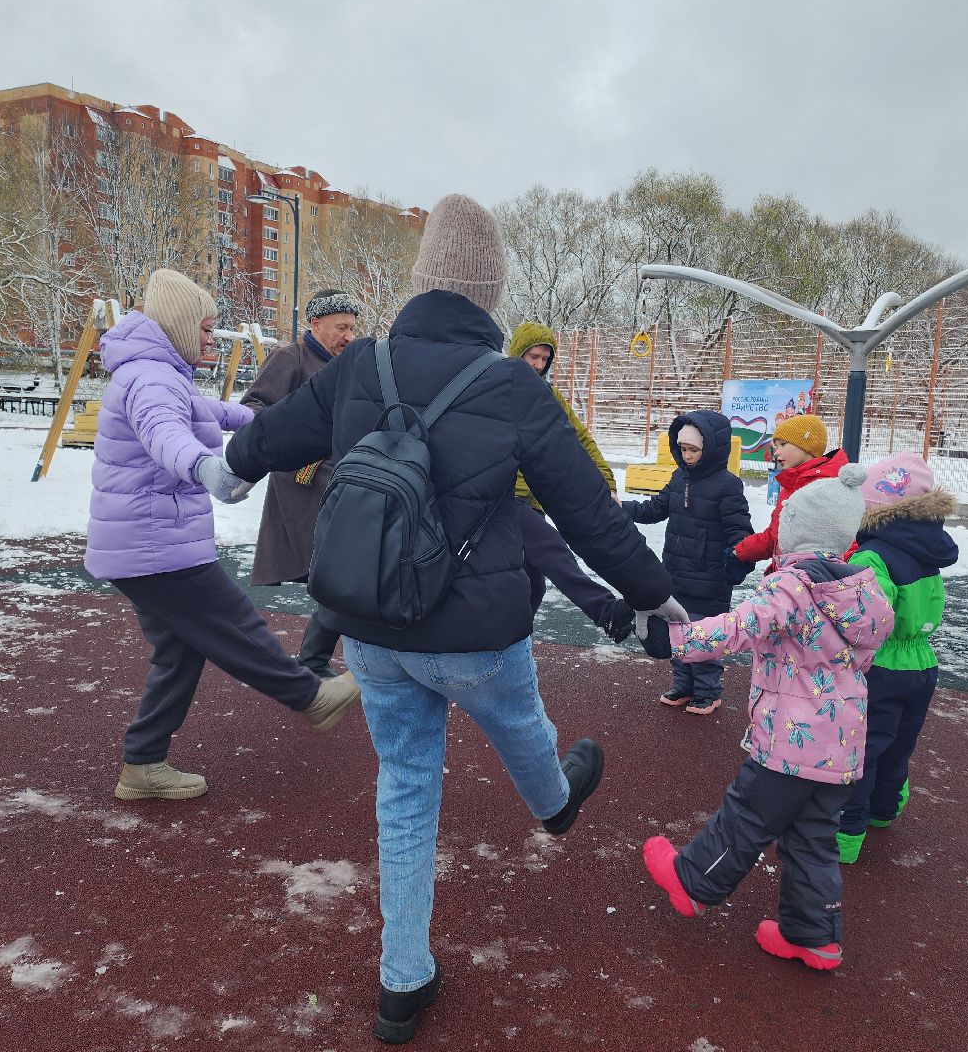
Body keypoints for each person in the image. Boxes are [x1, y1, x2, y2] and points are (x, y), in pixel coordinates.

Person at [224, 195, 680, 1044]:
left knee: (405, 789)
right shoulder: (511, 385)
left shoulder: (364, 362)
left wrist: (230, 471)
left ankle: (404, 983)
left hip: (376, 628)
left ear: (423, 281)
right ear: (491, 291)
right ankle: (554, 804)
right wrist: (657, 598)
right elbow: (588, 513)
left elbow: (276, 433)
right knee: (523, 731)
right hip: (477, 633)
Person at [84, 269, 360, 802]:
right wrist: (206, 469)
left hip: (147, 540)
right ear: (179, 327)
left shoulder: (161, 372)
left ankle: (143, 763)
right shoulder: (153, 379)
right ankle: (309, 696)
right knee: (232, 622)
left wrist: (289, 425)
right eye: (207, 329)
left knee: (181, 650)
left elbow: (224, 413)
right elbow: (164, 434)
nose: (213, 338)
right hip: (153, 543)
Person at [642, 464, 893, 972]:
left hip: (790, 740)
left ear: (796, 529)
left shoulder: (793, 587)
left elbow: (740, 627)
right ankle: (813, 934)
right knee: (812, 840)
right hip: (841, 747)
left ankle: (692, 882)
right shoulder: (865, 593)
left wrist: (672, 639)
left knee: (746, 818)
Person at [836, 453, 958, 863]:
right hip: (921, 664)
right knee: (899, 743)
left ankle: (845, 837)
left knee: (862, 750)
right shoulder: (927, 550)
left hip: (881, 667)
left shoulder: (872, 556)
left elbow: (868, 617)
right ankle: (884, 811)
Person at [240, 289, 359, 678]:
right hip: (303, 484)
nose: (348, 336)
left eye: (352, 328)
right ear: (315, 325)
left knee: (344, 572)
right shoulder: (289, 358)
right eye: (341, 327)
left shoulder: (348, 364)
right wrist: (295, 444)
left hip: (342, 483)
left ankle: (321, 658)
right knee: (340, 572)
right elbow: (254, 409)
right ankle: (316, 660)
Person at [507, 320, 634, 643]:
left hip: (533, 500)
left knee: (533, 585)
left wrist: (607, 482)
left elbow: (579, 437)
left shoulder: (548, 395)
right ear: (517, 353)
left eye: (544, 359)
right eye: (532, 356)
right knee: (553, 550)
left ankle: (512, 646)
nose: (537, 365)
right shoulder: (497, 387)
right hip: (500, 496)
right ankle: (605, 610)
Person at [623, 412, 753, 714]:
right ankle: (683, 685)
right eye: (683, 449)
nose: (687, 456)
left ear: (712, 449)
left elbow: (740, 531)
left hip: (710, 577)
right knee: (677, 632)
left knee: (704, 636)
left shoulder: (727, 486)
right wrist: (621, 508)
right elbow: (655, 508)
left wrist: (736, 560)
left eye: (694, 450)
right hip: (676, 572)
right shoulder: (679, 476)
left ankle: (707, 691)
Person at [732, 414, 849, 575]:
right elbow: (776, 536)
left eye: (783, 444)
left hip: (812, 585)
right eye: (775, 446)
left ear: (806, 445)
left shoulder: (827, 487)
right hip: (788, 580)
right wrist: (740, 552)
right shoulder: (791, 484)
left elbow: (845, 541)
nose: (776, 453)